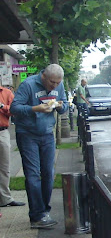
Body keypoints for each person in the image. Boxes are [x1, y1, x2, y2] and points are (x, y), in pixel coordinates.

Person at [10, 64, 69, 229]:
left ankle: (44, 211)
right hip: (27, 134)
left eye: (57, 83)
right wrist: (35, 108)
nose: (54, 86)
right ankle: (37, 215)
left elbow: (64, 106)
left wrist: (59, 106)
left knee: (49, 174)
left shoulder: (59, 85)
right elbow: (15, 108)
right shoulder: (28, 85)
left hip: (47, 134)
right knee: (33, 175)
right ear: (43, 76)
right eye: (52, 83)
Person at [0, 84, 26, 211]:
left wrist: (2, 106)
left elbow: (15, 110)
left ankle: (5, 199)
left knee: (4, 166)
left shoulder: (6, 93)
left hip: (2, 132)